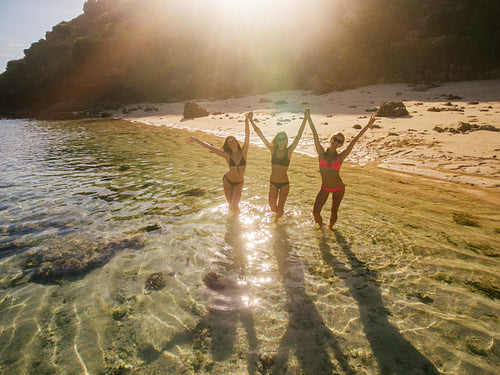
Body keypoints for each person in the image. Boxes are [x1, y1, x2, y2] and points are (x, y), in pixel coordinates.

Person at [307, 111, 377, 228]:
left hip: (338, 188)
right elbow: (314, 134)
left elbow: (355, 140)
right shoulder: (321, 154)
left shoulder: (340, 157)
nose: (336, 142)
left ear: (341, 145)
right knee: (315, 212)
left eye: (339, 142)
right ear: (331, 139)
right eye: (335, 139)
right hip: (324, 187)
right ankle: (322, 229)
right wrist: (308, 117)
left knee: (334, 212)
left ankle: (331, 229)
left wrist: (369, 124)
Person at [248, 109, 307, 220]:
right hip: (273, 183)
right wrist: (251, 121)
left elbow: (298, 136)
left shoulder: (289, 152)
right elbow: (260, 134)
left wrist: (305, 119)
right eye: (279, 139)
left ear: (286, 141)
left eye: (283, 139)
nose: (281, 141)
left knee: (279, 210)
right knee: (272, 207)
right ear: (276, 140)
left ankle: (277, 228)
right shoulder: (272, 150)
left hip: (284, 184)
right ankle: (284, 218)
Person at [186, 113, 250, 213]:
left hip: (239, 183)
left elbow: (247, 136)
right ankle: (234, 224)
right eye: (230, 143)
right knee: (231, 206)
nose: (232, 144)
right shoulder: (227, 155)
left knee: (234, 205)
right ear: (228, 145)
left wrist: (247, 121)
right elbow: (210, 147)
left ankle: (238, 224)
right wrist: (196, 140)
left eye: (234, 142)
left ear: (236, 142)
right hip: (227, 181)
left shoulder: (243, 152)